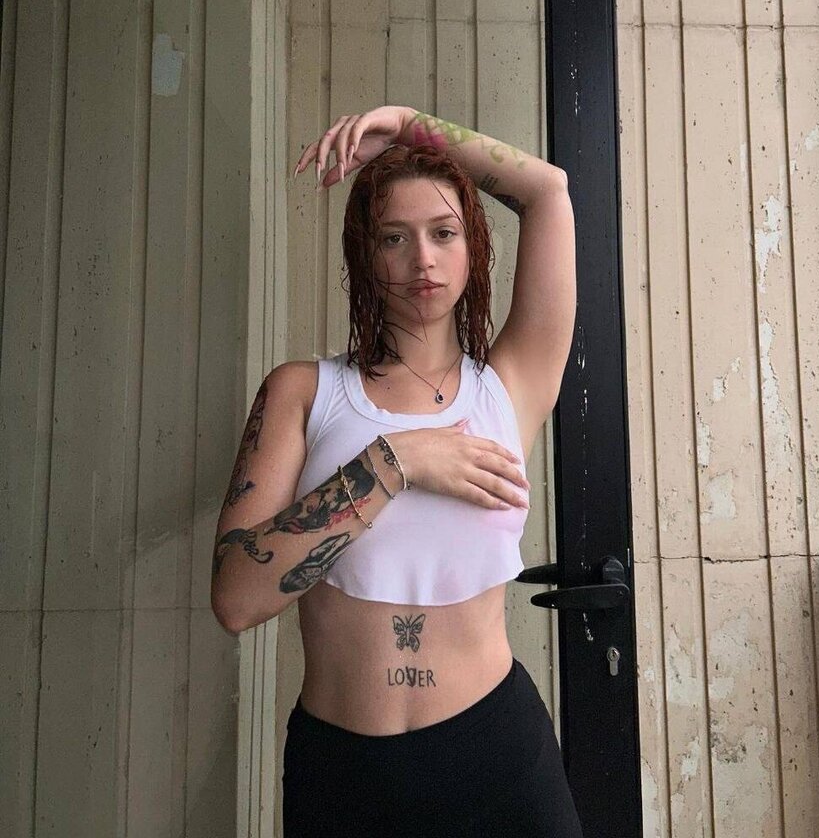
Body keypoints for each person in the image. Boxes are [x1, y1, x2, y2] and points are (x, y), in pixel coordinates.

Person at [211, 104, 581, 837]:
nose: (423, 260)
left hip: (498, 761)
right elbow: (236, 599)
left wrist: (411, 125)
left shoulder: (509, 385)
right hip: (345, 777)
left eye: (444, 233)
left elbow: (547, 190)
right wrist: (393, 462)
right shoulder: (303, 393)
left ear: (473, 246)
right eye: (394, 237)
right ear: (364, 254)